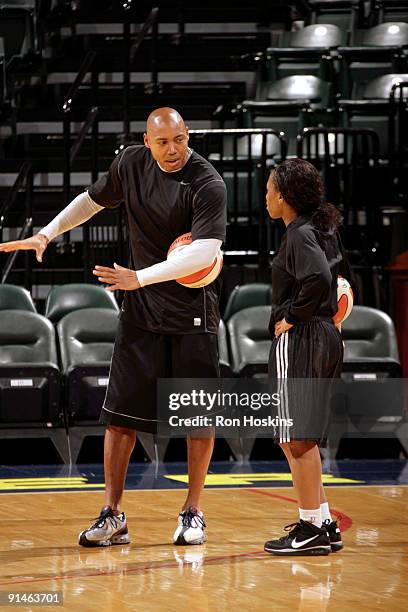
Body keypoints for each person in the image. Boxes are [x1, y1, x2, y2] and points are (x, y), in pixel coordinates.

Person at [0, 107, 227, 547]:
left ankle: (193, 511)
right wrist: (47, 232)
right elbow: (91, 200)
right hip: (140, 313)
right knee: (119, 418)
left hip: (192, 314)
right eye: (163, 142)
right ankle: (112, 513)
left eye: (180, 139)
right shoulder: (129, 163)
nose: (174, 149)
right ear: (147, 142)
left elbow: (203, 253)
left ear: (187, 136)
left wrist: (137, 277)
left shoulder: (207, 182)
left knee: (198, 417)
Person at [263, 158, 351, 556]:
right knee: (304, 437)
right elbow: (341, 282)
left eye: (269, 190)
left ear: (283, 197)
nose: (265, 196)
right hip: (328, 334)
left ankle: (311, 524)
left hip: (304, 336)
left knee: (295, 438)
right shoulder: (323, 229)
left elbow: (317, 276)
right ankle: (324, 520)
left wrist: (291, 317)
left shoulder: (299, 235)